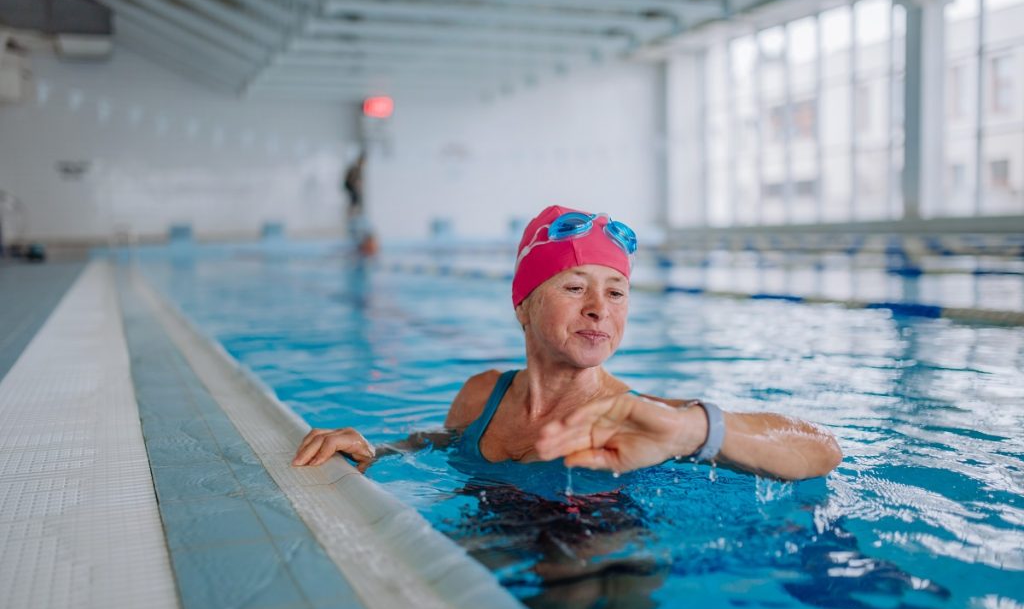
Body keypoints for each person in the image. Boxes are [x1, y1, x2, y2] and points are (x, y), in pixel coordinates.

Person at [294, 204, 842, 481]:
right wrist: (378, 450)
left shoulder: (633, 414)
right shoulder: (481, 395)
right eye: (575, 287)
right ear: (524, 305)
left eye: (617, 292)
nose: (599, 309)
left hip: (598, 575)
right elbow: (441, 440)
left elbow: (822, 449)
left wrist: (692, 429)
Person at [342, 151, 378, 256]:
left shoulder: (356, 169)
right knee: (354, 208)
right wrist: (356, 185)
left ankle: (354, 221)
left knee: (355, 208)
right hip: (352, 193)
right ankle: (353, 222)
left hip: (353, 194)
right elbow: (351, 181)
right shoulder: (355, 169)